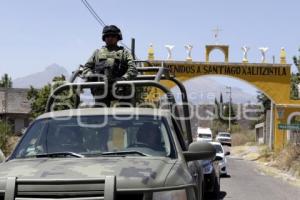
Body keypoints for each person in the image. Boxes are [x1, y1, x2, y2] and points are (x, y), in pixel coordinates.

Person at [82, 25, 138, 106]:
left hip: (120, 87)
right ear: (104, 38)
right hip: (101, 88)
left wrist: (123, 78)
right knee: (100, 115)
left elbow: (133, 69)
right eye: (107, 36)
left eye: (113, 36)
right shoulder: (97, 53)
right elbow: (86, 68)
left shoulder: (124, 53)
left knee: (126, 112)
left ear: (118, 37)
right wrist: (92, 76)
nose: (110, 38)